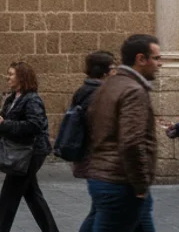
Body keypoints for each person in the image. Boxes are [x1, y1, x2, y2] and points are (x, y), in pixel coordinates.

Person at [85, 34, 161, 232]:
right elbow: (131, 142)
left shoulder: (109, 85)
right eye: (156, 58)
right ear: (140, 59)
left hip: (105, 177)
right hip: (121, 182)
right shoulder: (133, 90)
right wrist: (141, 184)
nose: (159, 64)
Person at [0, 61, 59, 232]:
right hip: (22, 151)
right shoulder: (13, 98)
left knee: (9, 197)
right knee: (32, 194)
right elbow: (9, 123)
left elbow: (34, 126)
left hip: (31, 152)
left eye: (11, 74)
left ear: (22, 77)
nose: (8, 77)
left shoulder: (32, 99)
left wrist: (4, 124)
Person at [71, 51, 114, 232]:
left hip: (88, 159)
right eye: (112, 68)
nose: (115, 72)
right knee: (101, 211)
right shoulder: (99, 94)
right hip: (97, 161)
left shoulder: (83, 90)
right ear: (104, 71)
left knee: (99, 210)